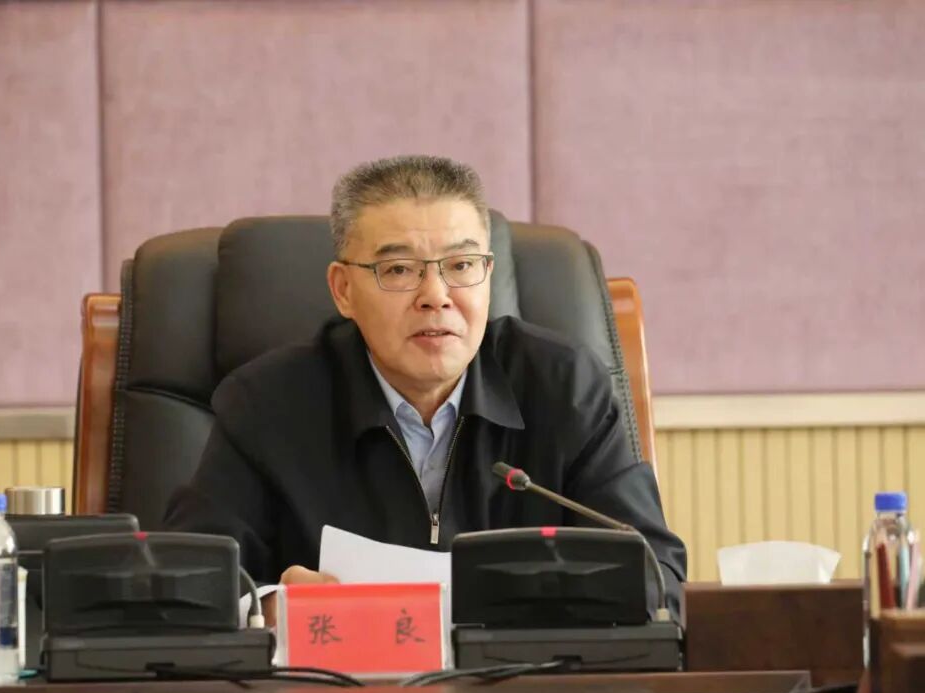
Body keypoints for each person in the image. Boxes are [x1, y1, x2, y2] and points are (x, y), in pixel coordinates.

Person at [164, 155, 687, 622]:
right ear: (343, 290)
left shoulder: (563, 388)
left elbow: (656, 574)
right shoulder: (267, 403)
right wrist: (269, 607)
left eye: (461, 266)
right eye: (398, 269)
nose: (435, 296)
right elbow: (189, 581)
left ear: (488, 276)